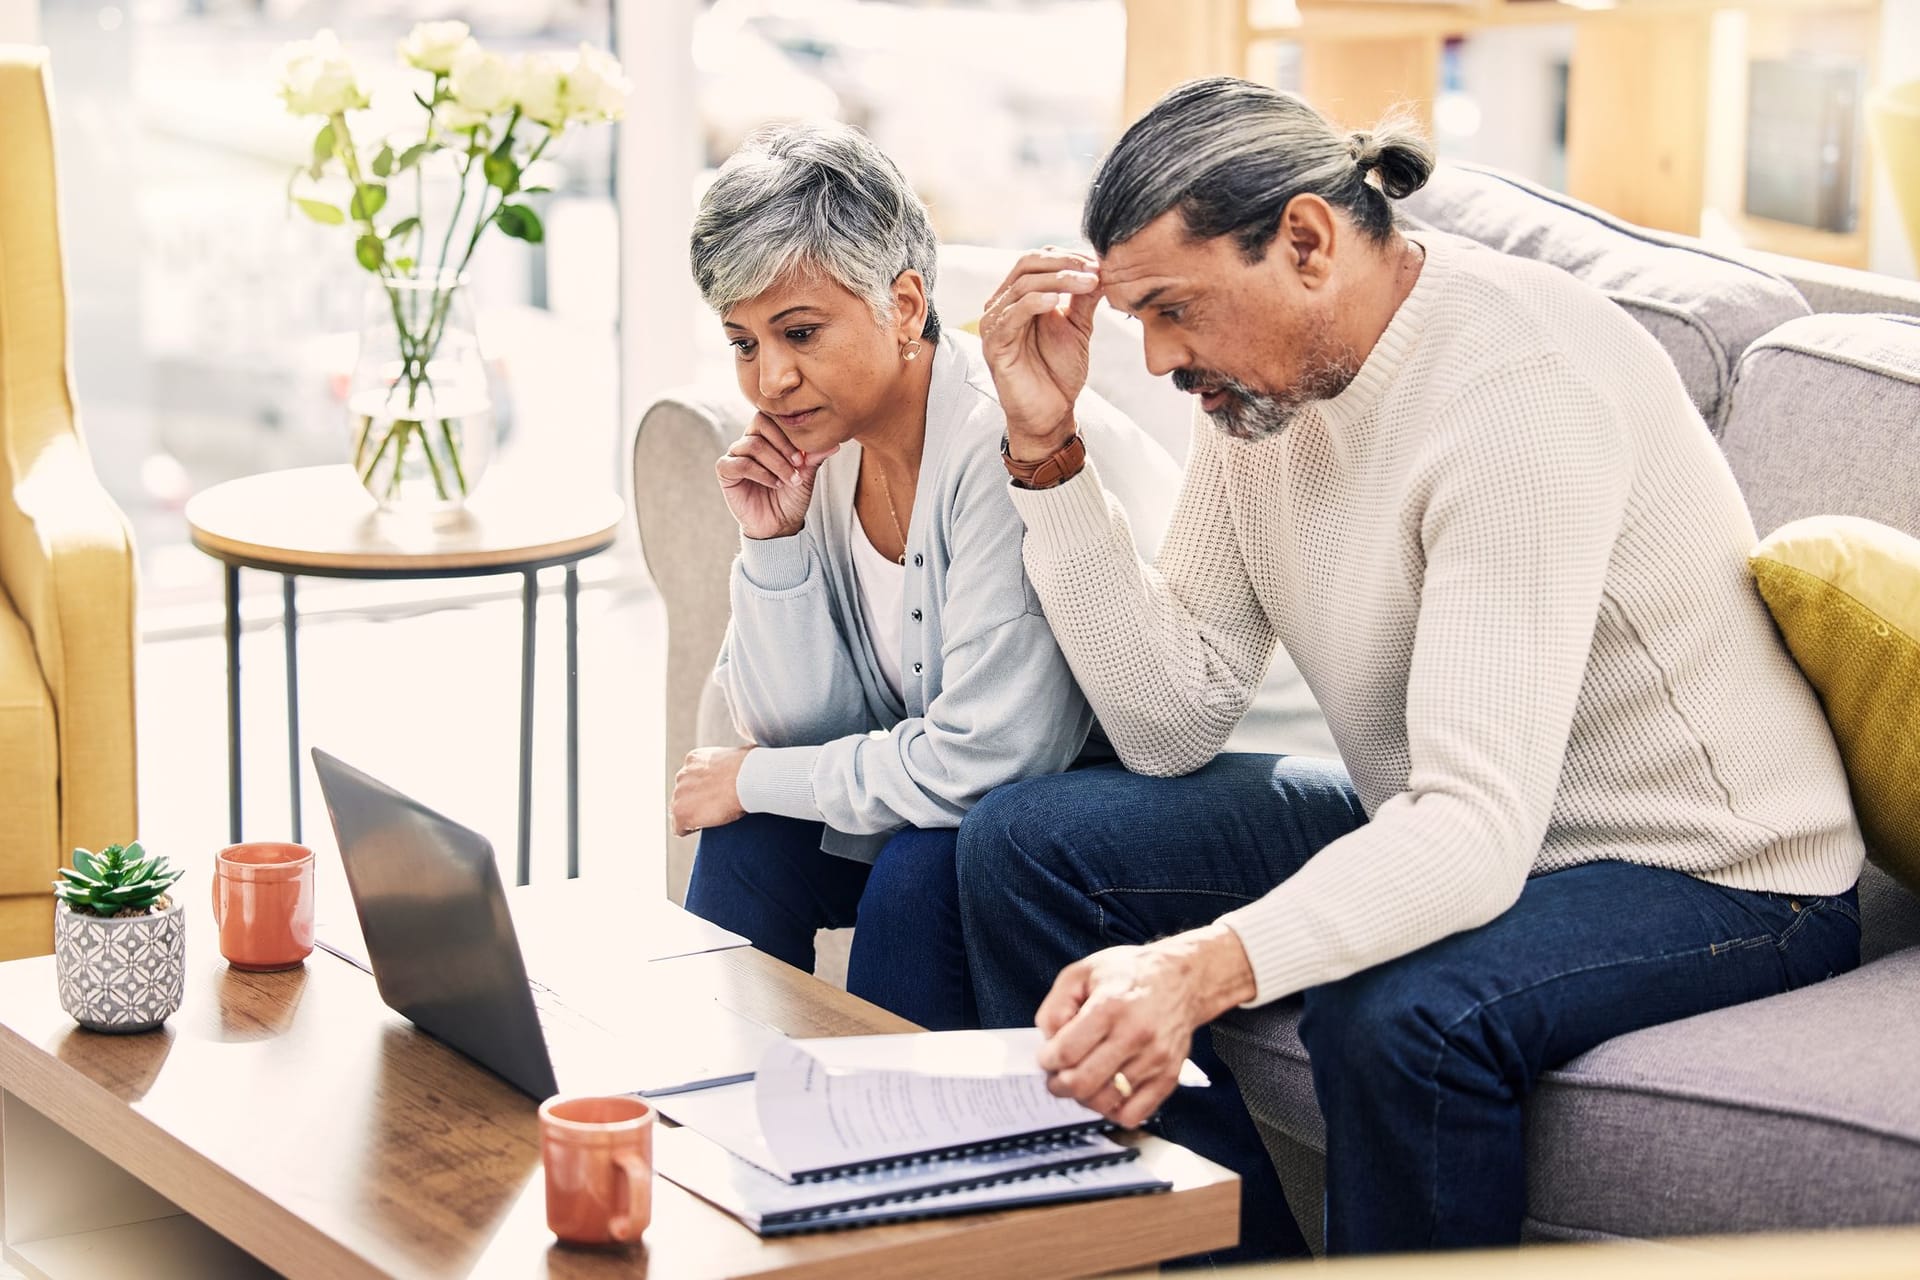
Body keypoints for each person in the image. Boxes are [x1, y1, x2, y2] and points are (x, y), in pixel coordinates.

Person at [961, 78, 1865, 1257]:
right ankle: (1219, 1252)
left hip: (1711, 866)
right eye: (1141, 317)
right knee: (1026, 844)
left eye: (1176, 308)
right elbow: (1170, 720)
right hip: (1468, 813)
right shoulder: (1261, 398)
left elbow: (1475, 828)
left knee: (1400, 1016)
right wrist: (1046, 451)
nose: (1163, 357)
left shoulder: (1514, 390)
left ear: (1305, 239)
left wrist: (1195, 969)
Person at [670, 121, 1170, 1032]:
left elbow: (990, 761)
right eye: (743, 343)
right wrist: (774, 549)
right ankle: (716, 1114)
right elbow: (795, 734)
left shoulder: (996, 441)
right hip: (998, 793)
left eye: (800, 331)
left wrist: (751, 778)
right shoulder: (822, 444)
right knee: (750, 838)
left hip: (1151, 790)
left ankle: (896, 1157)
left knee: (918, 866)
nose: (770, 379)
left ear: (904, 306)